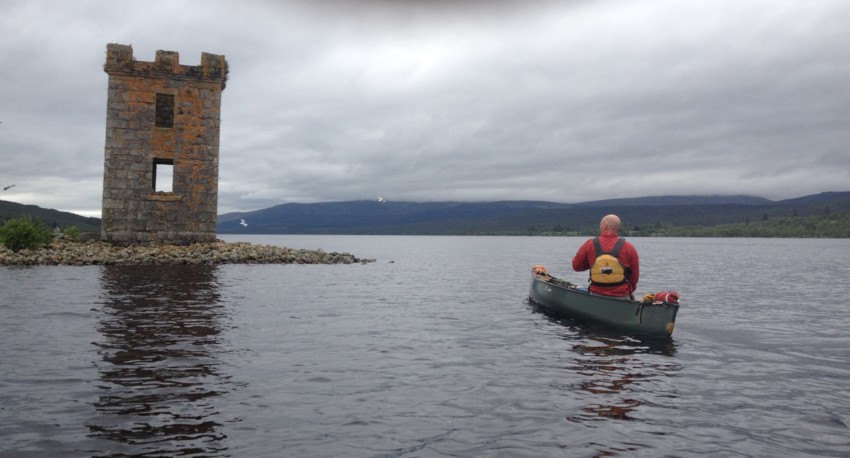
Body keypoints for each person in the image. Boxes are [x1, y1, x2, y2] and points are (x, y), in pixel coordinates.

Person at [572, 214, 639, 299]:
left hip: (596, 294)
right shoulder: (629, 247)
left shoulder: (589, 244)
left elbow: (576, 266)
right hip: (622, 295)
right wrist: (630, 290)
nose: (600, 226)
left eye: (601, 224)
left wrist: (594, 265)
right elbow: (634, 277)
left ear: (605, 226)